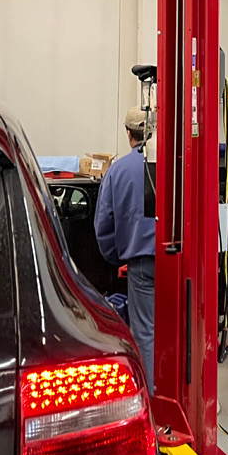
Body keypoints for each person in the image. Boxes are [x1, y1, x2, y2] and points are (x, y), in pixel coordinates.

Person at [95, 106, 157, 390]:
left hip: (141, 264)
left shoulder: (117, 170)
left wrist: (116, 257)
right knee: (185, 328)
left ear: (129, 133)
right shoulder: (178, 162)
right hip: (183, 263)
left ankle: (152, 401)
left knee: (145, 332)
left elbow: (104, 224)